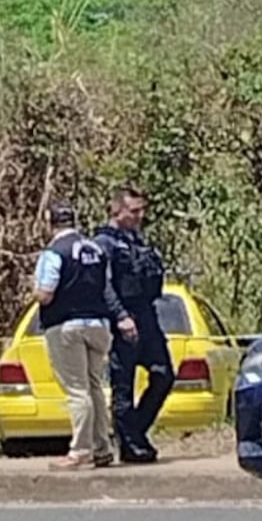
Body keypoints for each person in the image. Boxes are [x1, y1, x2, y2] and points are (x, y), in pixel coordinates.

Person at [34, 201, 118, 472]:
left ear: (50, 223)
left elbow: (45, 294)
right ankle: (102, 448)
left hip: (66, 326)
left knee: (76, 389)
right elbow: (105, 285)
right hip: (99, 325)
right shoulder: (95, 248)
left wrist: (33, 290)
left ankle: (80, 450)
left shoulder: (54, 252)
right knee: (94, 387)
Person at [96, 186, 173, 464]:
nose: (140, 216)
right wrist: (120, 316)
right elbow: (103, 285)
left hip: (147, 316)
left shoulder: (138, 240)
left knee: (164, 374)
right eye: (134, 211)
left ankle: (134, 432)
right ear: (117, 211)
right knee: (123, 386)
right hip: (124, 320)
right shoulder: (104, 243)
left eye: (142, 210)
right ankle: (130, 446)